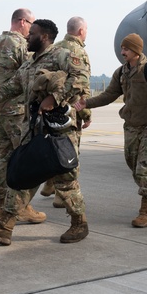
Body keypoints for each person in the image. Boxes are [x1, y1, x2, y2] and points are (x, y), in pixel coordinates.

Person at [0, 19, 91, 245]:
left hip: (58, 131)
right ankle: (4, 227)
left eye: (31, 33)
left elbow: (81, 79)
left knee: (66, 181)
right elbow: (6, 90)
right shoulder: (28, 65)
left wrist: (54, 98)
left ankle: (79, 223)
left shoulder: (61, 56)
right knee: (24, 177)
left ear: (43, 36)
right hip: (34, 130)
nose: (26, 37)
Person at [81, 33, 147, 228]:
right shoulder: (121, 72)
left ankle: (145, 211)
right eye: (122, 48)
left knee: (144, 170)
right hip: (130, 127)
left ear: (136, 51)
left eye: (126, 49)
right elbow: (108, 95)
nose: (123, 52)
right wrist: (85, 103)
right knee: (133, 167)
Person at [0, 8, 45, 223]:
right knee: (27, 158)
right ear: (22, 22)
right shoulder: (21, 45)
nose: (32, 30)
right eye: (31, 24)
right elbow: (29, 77)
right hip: (16, 112)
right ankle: (22, 206)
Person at [44, 16, 92, 208]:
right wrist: (86, 114)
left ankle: (50, 182)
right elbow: (82, 87)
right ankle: (61, 196)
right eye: (86, 30)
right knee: (70, 153)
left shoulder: (54, 48)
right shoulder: (79, 51)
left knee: (54, 147)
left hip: (50, 109)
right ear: (81, 31)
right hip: (69, 111)